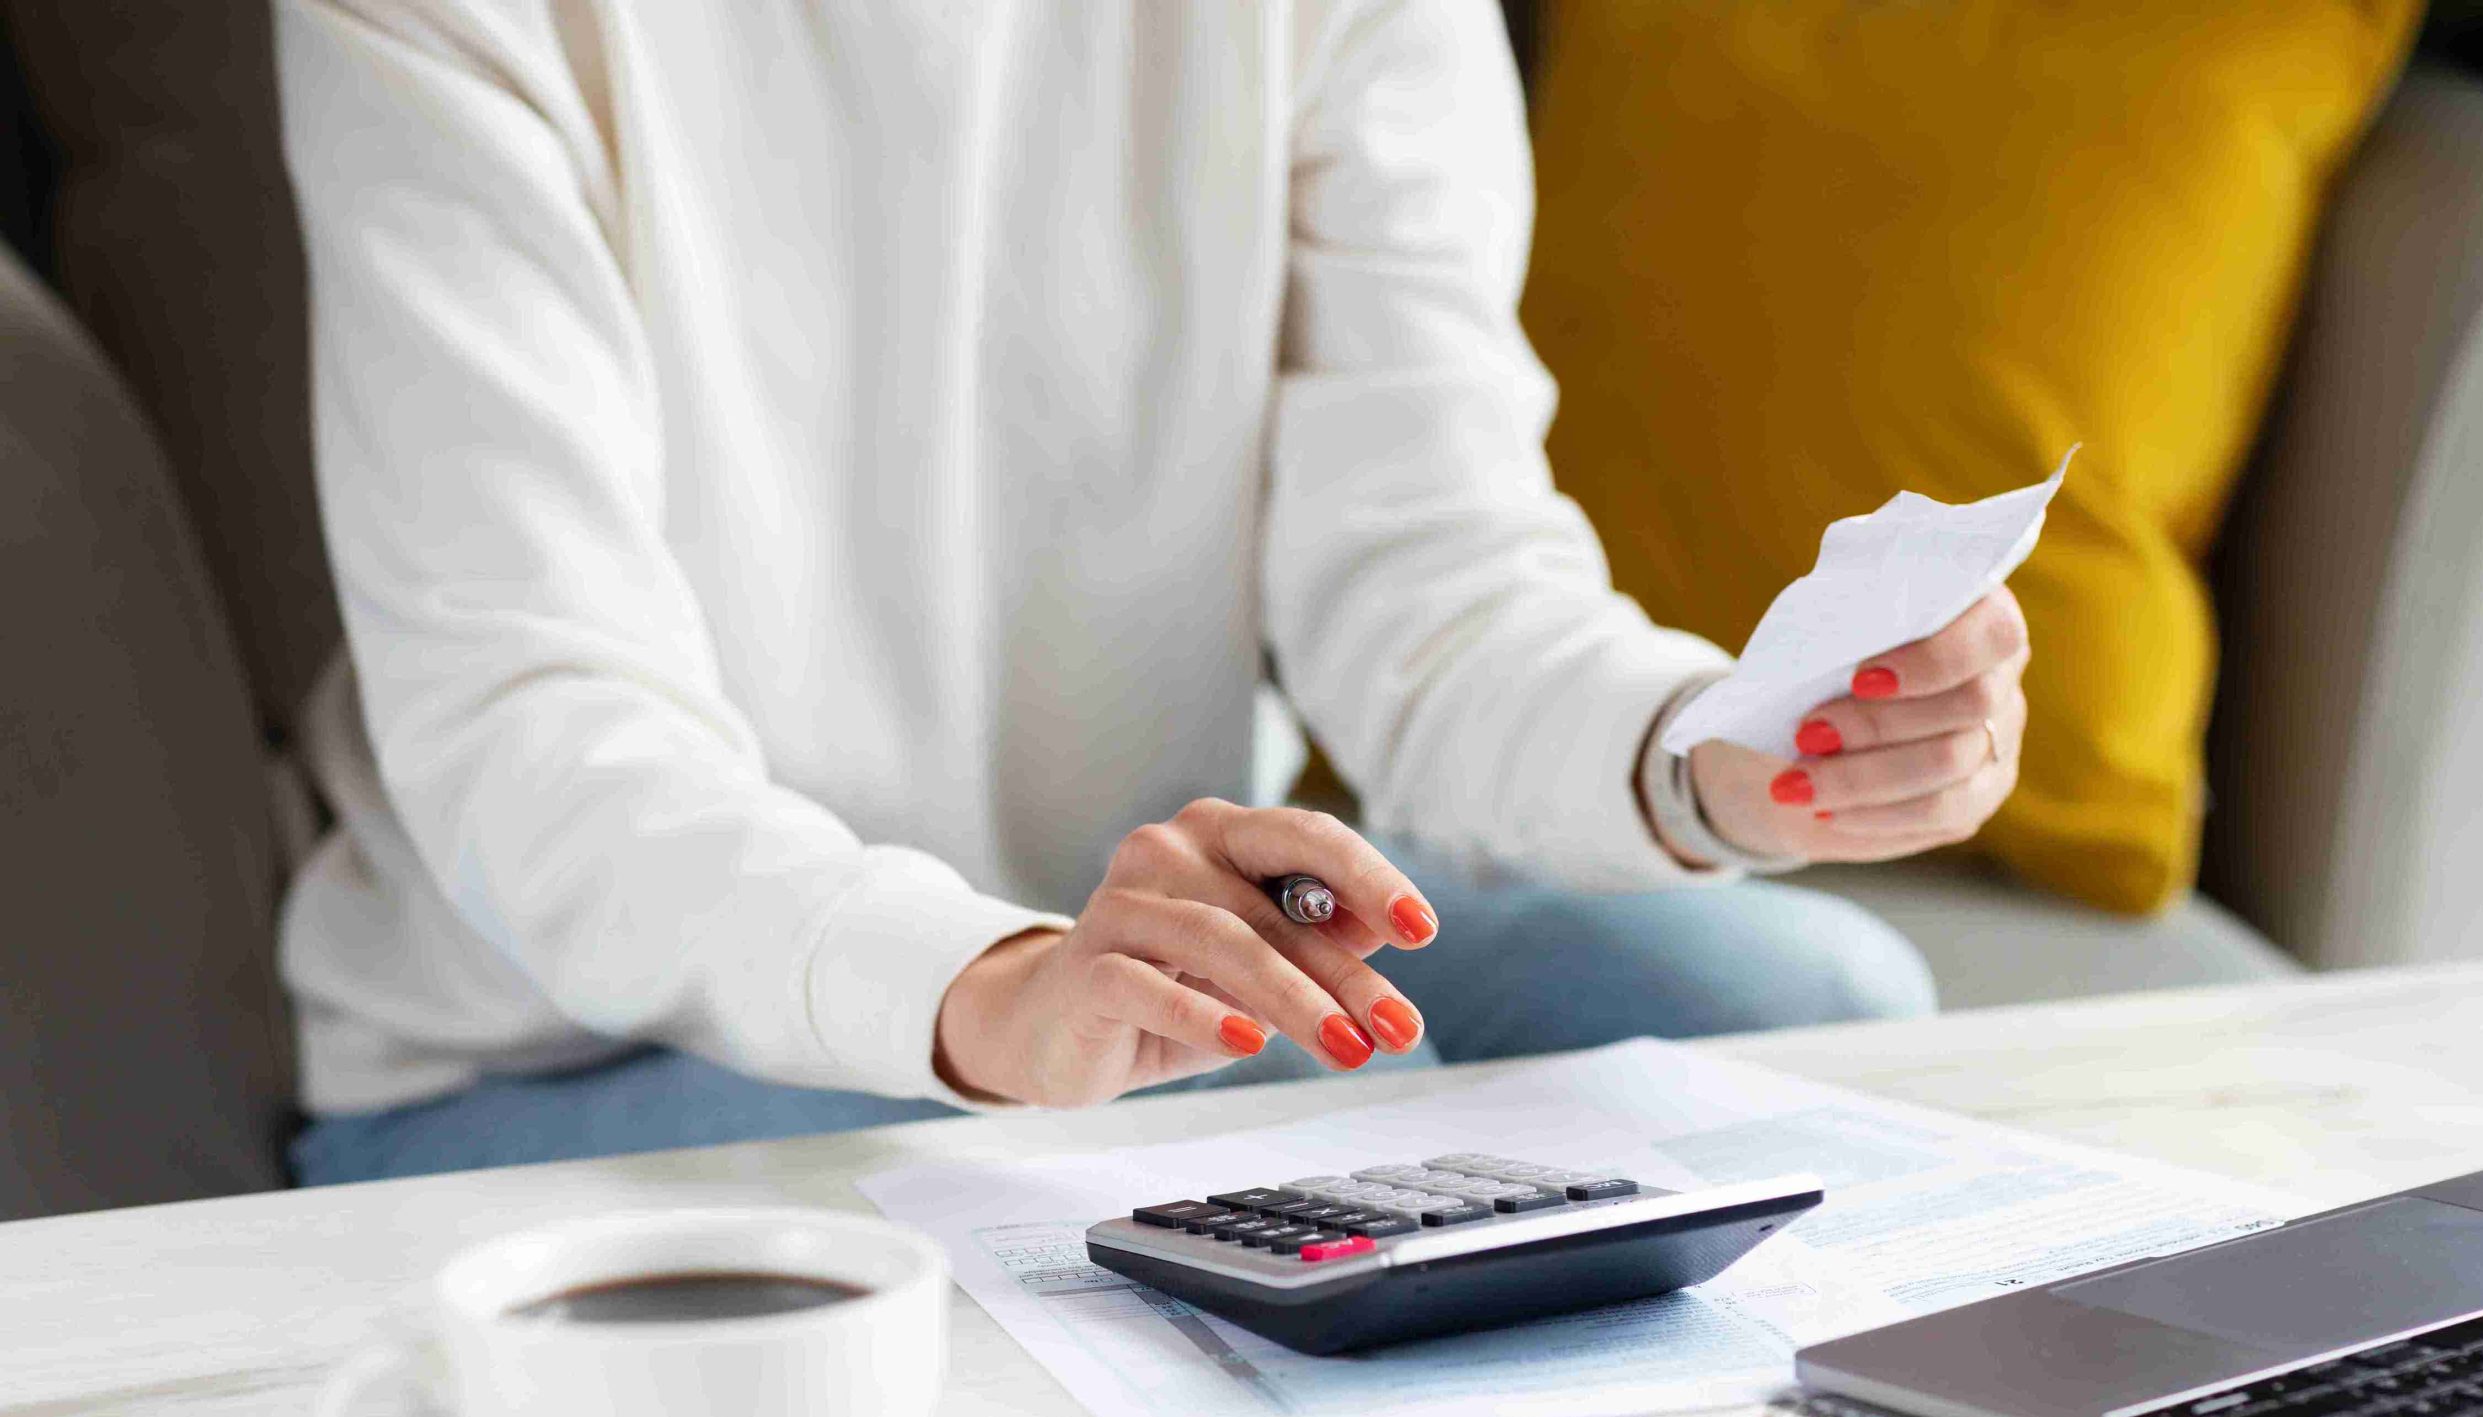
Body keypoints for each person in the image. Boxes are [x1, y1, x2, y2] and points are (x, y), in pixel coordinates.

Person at [275, 1, 2024, 1186]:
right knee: (1273, 1121)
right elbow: (539, 732)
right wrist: (1000, 982)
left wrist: (1709, 752)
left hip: (1140, 956)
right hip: (554, 1043)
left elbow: (1438, 585)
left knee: (1824, 1019)